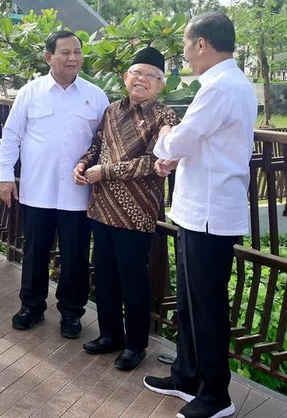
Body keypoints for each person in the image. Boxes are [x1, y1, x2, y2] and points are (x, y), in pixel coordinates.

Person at [144, 13, 256, 418]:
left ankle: (216, 396)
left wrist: (163, 143)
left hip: (209, 215)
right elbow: (201, 144)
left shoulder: (221, 88)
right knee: (191, 303)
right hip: (198, 210)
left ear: (203, 44)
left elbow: (182, 138)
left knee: (206, 306)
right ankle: (187, 376)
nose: (186, 55)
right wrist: (173, 154)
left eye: (187, 45)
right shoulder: (227, 85)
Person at [0, 30, 109, 337]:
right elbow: (12, 136)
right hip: (38, 189)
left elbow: (106, 143)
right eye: (65, 53)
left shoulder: (96, 96)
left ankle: (72, 313)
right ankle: (31, 306)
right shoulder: (30, 92)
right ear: (49, 57)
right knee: (35, 251)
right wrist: (6, 176)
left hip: (78, 192)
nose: (73, 58)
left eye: (77, 52)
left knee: (75, 255)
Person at [74, 46, 179, 371]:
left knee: (134, 282)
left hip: (136, 214)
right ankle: (110, 336)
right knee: (104, 277)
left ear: (161, 85)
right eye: (137, 72)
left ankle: (136, 345)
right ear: (125, 77)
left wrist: (103, 172)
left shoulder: (166, 117)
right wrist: (83, 163)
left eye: (151, 76)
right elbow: (98, 146)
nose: (142, 79)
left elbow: (152, 163)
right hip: (101, 208)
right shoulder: (111, 111)